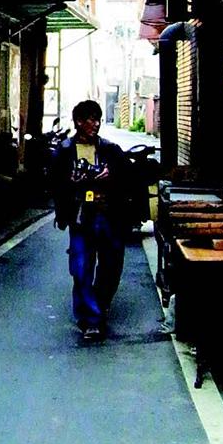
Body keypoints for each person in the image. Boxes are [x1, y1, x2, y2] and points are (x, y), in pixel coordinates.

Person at [51, 100, 129, 342]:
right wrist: (76, 184)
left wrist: (110, 178)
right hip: (80, 217)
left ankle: (99, 305)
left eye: (97, 119)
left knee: (110, 265)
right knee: (82, 268)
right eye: (89, 119)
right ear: (78, 122)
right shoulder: (65, 152)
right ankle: (91, 319)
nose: (94, 124)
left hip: (107, 216)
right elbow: (55, 184)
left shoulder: (110, 150)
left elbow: (127, 180)